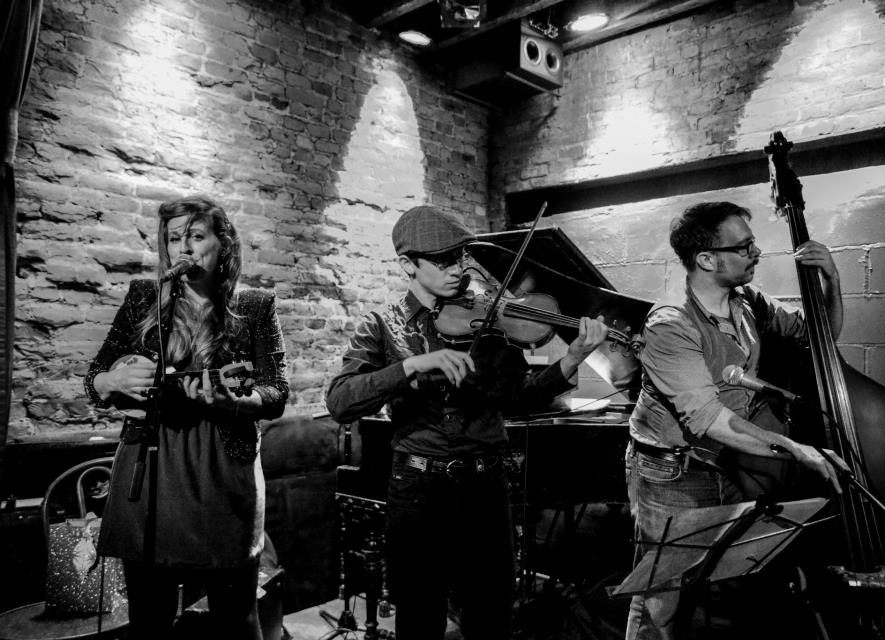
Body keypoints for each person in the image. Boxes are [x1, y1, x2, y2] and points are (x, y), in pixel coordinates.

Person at [326, 204, 609, 640]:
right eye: (442, 260)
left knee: (491, 614)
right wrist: (413, 365)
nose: (458, 269)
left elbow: (517, 397)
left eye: (460, 256)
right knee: (420, 618)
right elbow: (341, 400)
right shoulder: (383, 325)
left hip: (486, 487)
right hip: (419, 491)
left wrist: (571, 358)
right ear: (408, 265)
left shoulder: (490, 318)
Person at [624, 201, 846, 640]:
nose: (756, 252)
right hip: (673, 470)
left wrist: (832, 281)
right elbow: (709, 418)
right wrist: (796, 450)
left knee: (727, 581)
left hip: (729, 460)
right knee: (662, 597)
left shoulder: (747, 301)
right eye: (744, 247)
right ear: (707, 259)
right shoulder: (670, 324)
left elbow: (821, 337)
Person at [84, 196, 289, 640]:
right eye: (174, 238)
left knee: (236, 616)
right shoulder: (144, 297)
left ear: (224, 244)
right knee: (149, 617)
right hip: (149, 464)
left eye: (196, 236)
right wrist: (112, 381)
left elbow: (276, 393)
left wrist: (230, 402)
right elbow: (94, 378)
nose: (184, 248)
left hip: (222, 467)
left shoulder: (254, 305)